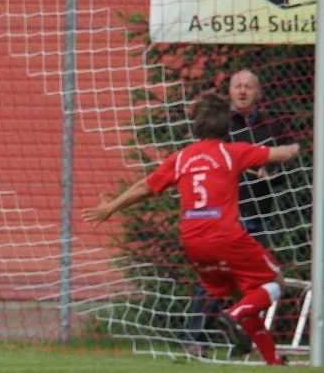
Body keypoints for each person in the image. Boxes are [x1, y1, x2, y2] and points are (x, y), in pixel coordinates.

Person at [82, 91, 299, 365]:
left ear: (196, 127)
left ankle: (272, 360)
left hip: (194, 242)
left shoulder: (182, 158)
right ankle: (233, 316)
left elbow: (144, 187)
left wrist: (111, 207)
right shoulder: (232, 152)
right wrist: (298, 146)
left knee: (243, 295)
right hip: (225, 236)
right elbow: (280, 154)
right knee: (274, 282)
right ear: (227, 126)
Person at [184, 69, 288, 356]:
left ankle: (251, 343)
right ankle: (195, 342)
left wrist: (269, 172)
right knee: (212, 285)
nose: (242, 91)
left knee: (257, 284)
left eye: (248, 87)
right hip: (222, 220)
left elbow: (281, 172)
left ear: (258, 93)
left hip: (257, 215)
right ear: (229, 91)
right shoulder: (219, 126)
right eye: (237, 86)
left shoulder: (272, 127)